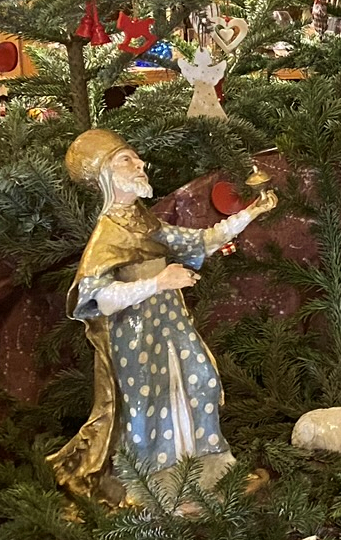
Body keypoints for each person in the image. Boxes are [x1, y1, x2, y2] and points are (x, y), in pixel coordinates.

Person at [49, 128, 275, 503]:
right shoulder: (108, 233)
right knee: (145, 404)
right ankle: (149, 483)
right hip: (133, 332)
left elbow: (200, 240)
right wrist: (158, 282)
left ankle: (208, 467)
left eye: (136, 156)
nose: (140, 164)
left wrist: (252, 211)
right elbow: (96, 297)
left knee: (201, 381)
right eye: (126, 159)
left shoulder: (144, 222)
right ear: (106, 175)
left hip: (169, 321)